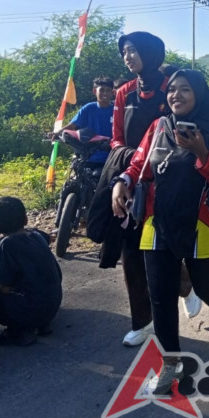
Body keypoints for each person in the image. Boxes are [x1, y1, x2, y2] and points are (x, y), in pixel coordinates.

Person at [110, 69, 209, 394]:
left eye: (185, 90)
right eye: (172, 90)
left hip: (201, 225)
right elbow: (139, 163)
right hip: (157, 222)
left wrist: (201, 153)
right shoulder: (158, 127)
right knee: (161, 297)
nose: (176, 95)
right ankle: (171, 365)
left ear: (199, 95)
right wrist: (123, 182)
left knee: (207, 287)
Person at [87, 31, 169, 347]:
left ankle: (190, 287)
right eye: (124, 51)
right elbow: (117, 138)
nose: (127, 56)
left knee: (167, 251)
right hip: (132, 177)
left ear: (150, 52)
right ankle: (143, 321)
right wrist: (130, 167)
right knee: (131, 252)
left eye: (133, 50)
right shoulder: (124, 93)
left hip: (165, 178)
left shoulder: (169, 87)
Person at [0, 197, 63, 347]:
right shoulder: (36, 235)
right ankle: (40, 324)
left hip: (32, 311)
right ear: (26, 219)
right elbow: (16, 274)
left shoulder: (7, 244)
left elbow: (3, 286)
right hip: (52, 306)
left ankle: (17, 331)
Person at [57, 76, 115, 166]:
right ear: (95, 91)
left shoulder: (117, 110)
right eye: (102, 90)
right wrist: (57, 133)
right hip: (89, 157)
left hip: (111, 158)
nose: (105, 93)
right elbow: (73, 126)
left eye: (108, 90)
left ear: (112, 93)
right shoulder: (88, 108)